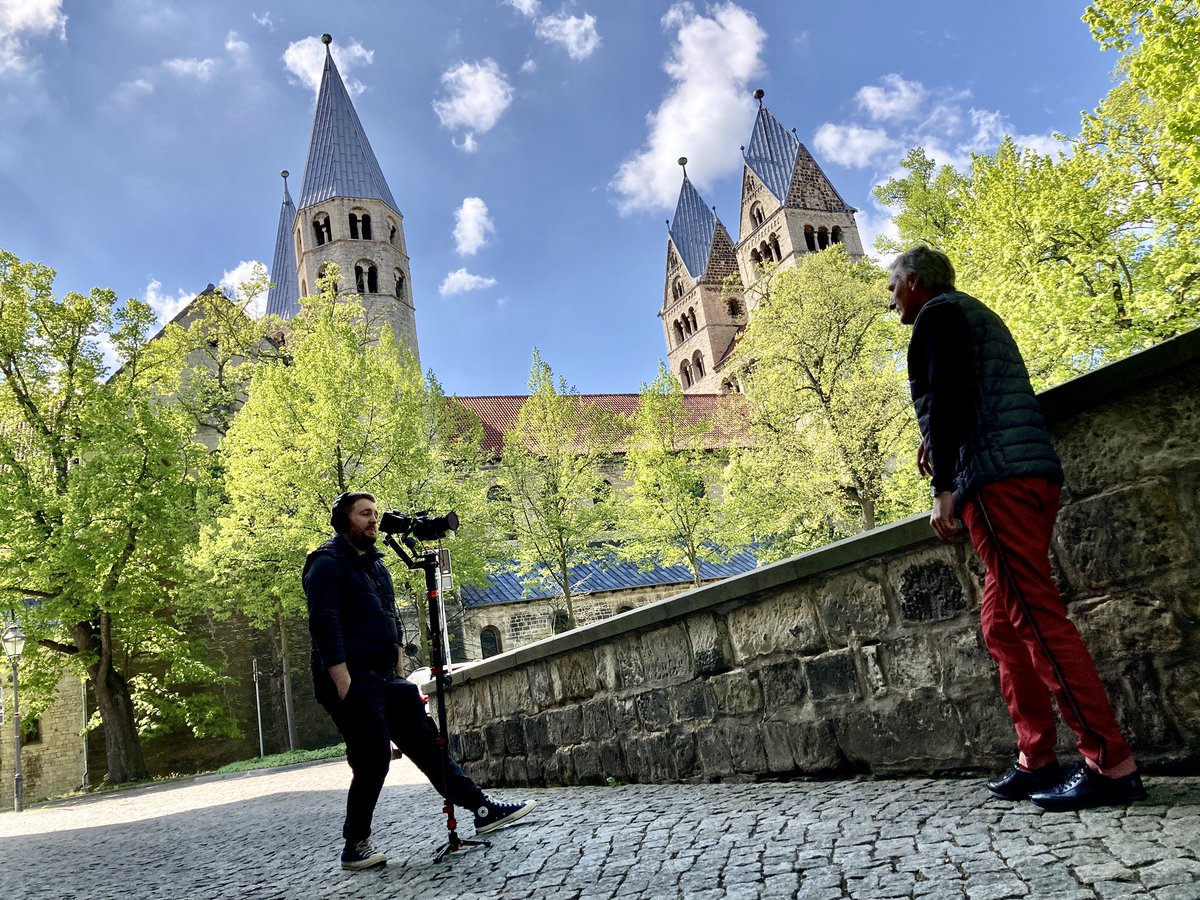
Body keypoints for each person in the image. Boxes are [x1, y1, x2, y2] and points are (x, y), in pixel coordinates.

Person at [888, 245, 1145, 812]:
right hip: (1026, 473)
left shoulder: (939, 314)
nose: (891, 299)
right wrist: (936, 442)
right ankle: (1037, 758)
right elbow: (971, 393)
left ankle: (1110, 762)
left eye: (893, 286)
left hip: (998, 480)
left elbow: (951, 392)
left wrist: (944, 487)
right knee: (1002, 625)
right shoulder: (970, 315)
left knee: (1035, 617)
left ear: (916, 281)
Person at [305, 491, 536, 870]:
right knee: (373, 758)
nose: (373, 520)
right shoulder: (326, 565)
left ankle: (480, 809)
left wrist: (397, 671)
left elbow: (390, 620)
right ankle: (355, 844)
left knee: (429, 745)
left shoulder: (377, 566)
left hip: (386, 678)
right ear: (344, 521)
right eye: (365, 514)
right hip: (352, 680)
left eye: (375, 514)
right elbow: (324, 625)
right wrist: (344, 684)